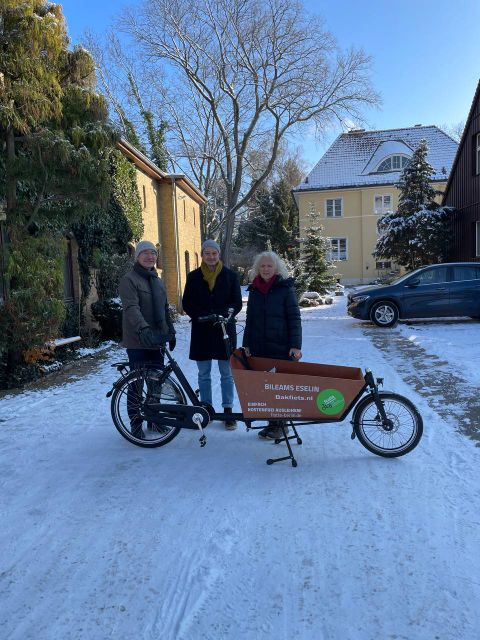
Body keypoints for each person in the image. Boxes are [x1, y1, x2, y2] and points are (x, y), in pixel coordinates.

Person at [182, 239, 242, 430]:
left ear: (218, 254)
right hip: (202, 329)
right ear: (202, 255)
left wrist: (225, 314)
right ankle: (206, 407)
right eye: (207, 253)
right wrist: (201, 316)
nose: (211, 256)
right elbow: (187, 303)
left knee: (226, 373)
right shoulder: (193, 277)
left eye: (214, 253)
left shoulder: (231, 276)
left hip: (224, 330)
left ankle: (228, 411)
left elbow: (237, 302)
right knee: (204, 373)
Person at [119, 240, 176, 439]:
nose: (150, 257)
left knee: (156, 382)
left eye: (153, 253)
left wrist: (171, 331)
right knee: (137, 384)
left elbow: (164, 309)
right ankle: (136, 423)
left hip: (157, 340)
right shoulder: (130, 279)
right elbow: (131, 308)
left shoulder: (158, 280)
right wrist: (143, 329)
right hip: (138, 340)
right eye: (146, 253)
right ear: (137, 257)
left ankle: (154, 420)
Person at [242, 251, 302, 440]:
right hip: (260, 347)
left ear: (276, 268)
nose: (266, 269)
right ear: (257, 269)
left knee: (280, 389)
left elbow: (294, 317)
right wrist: (246, 344)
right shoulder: (255, 289)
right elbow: (250, 319)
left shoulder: (285, 288)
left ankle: (282, 426)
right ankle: (271, 424)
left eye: (269, 266)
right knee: (266, 388)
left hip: (281, 347)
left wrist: (295, 345)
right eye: (262, 266)